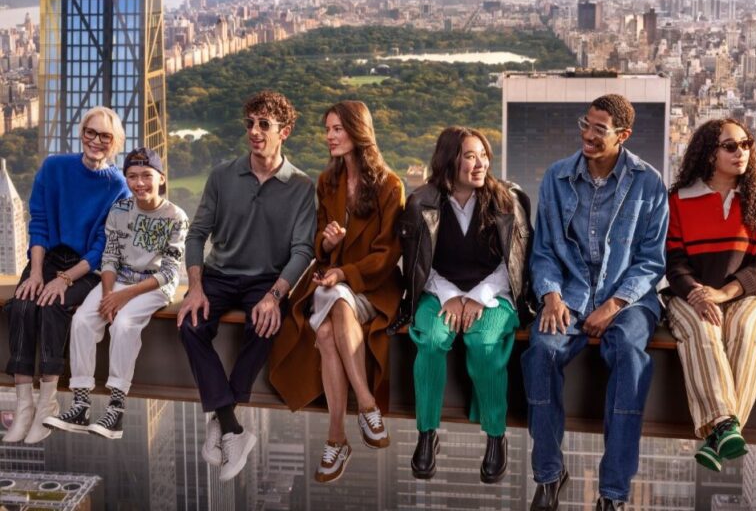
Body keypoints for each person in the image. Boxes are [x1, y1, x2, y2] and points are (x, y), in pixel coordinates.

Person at [522, 94, 668, 511]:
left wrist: (614, 304)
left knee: (628, 355)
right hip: (567, 294)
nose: (587, 134)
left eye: (598, 129)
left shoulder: (649, 183)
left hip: (628, 300)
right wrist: (550, 295)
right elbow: (545, 249)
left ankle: (613, 492)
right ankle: (549, 474)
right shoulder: (556, 177)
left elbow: (651, 261)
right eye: (584, 124)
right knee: (541, 353)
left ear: (623, 136)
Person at [177, 90, 315, 482]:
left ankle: (223, 421)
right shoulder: (223, 175)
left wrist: (275, 295)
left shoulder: (302, 187)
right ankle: (232, 425)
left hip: (266, 281)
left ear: (284, 131)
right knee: (189, 326)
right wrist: (196, 287)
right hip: (219, 275)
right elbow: (197, 233)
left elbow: (303, 251)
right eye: (250, 124)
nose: (254, 132)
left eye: (264, 125)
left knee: (265, 325)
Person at [270, 100, 404, 483]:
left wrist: (344, 271)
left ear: (357, 132)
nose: (328, 137)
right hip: (331, 280)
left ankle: (342, 432)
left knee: (335, 316)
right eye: (327, 129)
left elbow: (387, 254)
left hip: (372, 287)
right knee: (329, 325)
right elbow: (316, 243)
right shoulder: (327, 182)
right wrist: (327, 245)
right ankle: (360, 411)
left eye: (336, 129)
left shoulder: (390, 185)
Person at [393, 126, 532, 484]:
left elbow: (512, 265)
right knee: (432, 339)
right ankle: (427, 433)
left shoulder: (507, 201)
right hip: (437, 291)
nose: (480, 163)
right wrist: (450, 295)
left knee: (484, 345)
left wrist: (477, 297)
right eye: (470, 156)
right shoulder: (421, 202)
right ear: (448, 160)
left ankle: (495, 435)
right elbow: (419, 264)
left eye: (483, 155)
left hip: (494, 293)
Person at [43, 148, 188, 440]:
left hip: (154, 286)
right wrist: (108, 293)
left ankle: (115, 411)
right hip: (118, 280)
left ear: (161, 178)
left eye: (147, 176)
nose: (139, 183)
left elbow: (170, 273)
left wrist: (123, 298)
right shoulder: (120, 210)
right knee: (83, 320)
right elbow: (109, 258)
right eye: (132, 177)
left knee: (123, 324)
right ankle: (81, 404)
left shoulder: (176, 216)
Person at [3, 106, 129, 444]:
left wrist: (65, 279)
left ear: (115, 142)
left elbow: (103, 246)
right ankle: (24, 405)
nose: (96, 141)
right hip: (48, 254)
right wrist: (36, 272)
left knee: (54, 306)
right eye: (91, 132)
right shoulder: (54, 167)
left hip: (85, 265)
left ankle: (47, 405)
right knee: (22, 305)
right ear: (81, 132)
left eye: (105, 136)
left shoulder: (118, 187)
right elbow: (40, 221)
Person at [664, 118, 756, 472]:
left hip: (752, 294)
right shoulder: (680, 201)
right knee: (703, 331)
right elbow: (673, 260)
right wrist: (700, 293)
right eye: (730, 146)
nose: (741, 152)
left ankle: (719, 432)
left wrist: (727, 291)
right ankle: (725, 430)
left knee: (747, 334)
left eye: (746, 144)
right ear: (708, 153)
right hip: (692, 293)